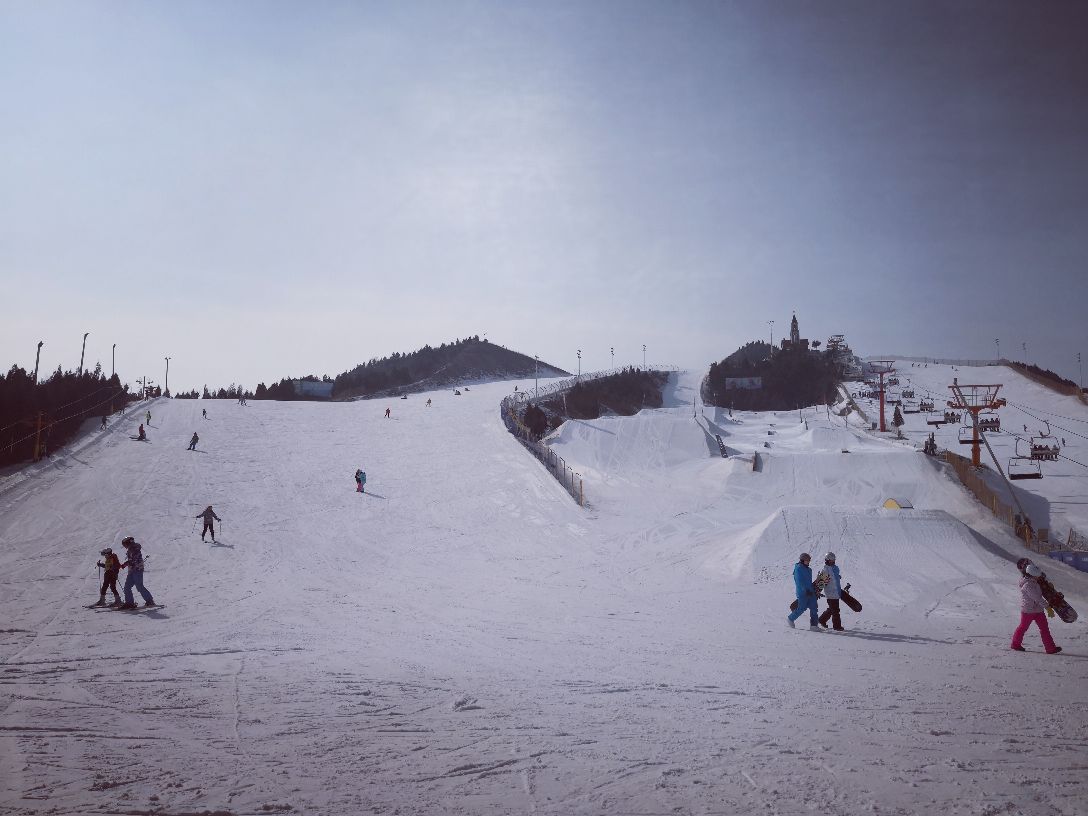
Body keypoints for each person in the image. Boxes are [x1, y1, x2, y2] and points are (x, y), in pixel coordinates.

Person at [1011, 563, 1061, 654]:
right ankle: (1015, 644)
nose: (1038, 577)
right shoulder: (1027, 586)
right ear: (1031, 575)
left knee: (1044, 628)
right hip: (1028, 611)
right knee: (1023, 628)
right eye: (1037, 576)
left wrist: (1050, 588)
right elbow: (1037, 598)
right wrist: (1048, 607)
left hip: (1038, 610)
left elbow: (1043, 591)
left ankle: (1050, 648)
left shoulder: (1035, 582)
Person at [118, 536, 155, 609]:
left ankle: (149, 601)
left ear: (128, 543)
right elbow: (131, 560)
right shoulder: (130, 549)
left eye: (124, 544)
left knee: (139, 586)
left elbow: (135, 559)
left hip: (137, 570)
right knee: (127, 587)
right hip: (132, 570)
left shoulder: (135, 549)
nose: (124, 546)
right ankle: (129, 603)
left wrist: (127, 563)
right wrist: (126, 564)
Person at [787, 552, 820, 629]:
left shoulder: (809, 570)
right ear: (802, 560)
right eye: (807, 560)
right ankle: (790, 619)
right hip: (803, 593)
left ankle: (814, 625)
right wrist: (805, 590)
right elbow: (799, 582)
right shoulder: (798, 569)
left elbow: (808, 582)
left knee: (814, 607)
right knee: (801, 608)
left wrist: (815, 587)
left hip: (811, 592)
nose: (808, 562)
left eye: (809, 560)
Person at [817, 552, 845, 630]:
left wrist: (838, 577)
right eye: (831, 560)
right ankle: (837, 626)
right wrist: (818, 591)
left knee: (832, 609)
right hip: (830, 593)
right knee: (835, 610)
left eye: (834, 559)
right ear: (827, 560)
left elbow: (834, 577)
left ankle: (821, 619)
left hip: (836, 592)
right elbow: (821, 583)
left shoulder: (835, 568)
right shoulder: (825, 570)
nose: (833, 561)